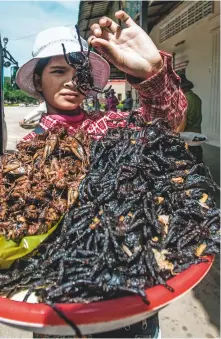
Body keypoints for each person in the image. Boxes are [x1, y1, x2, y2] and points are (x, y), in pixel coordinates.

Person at [16, 10, 187, 338]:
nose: (70, 81)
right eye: (57, 71)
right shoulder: (28, 148)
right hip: (62, 308)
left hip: (130, 297)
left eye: (77, 72)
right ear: (38, 81)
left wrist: (151, 74)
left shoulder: (110, 123)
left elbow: (168, 121)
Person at [177, 72, 203, 163]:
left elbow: (183, 121)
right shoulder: (197, 98)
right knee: (198, 157)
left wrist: (176, 135)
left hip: (187, 134)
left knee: (189, 160)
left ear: (182, 88)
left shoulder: (184, 99)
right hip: (197, 132)